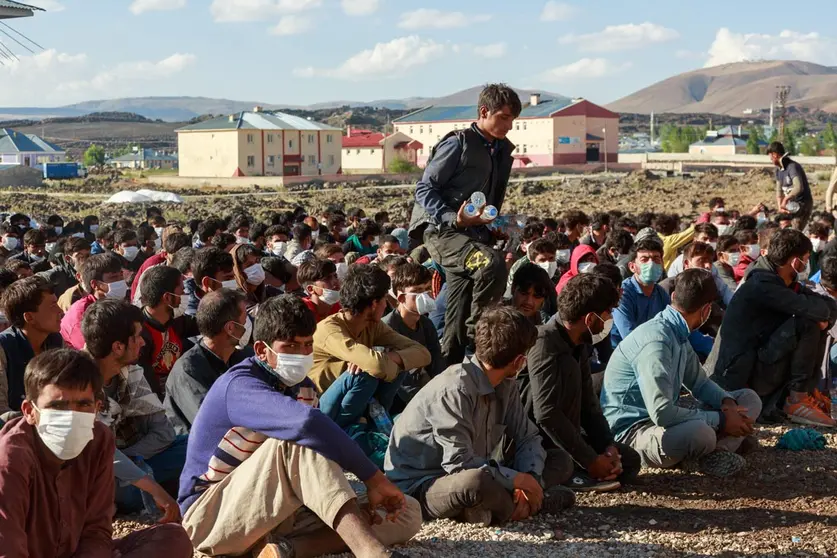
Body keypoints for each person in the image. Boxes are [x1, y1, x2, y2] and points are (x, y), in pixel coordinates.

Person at [178, 295, 420, 558]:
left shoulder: (303, 387)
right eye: (291, 346)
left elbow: (317, 461)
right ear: (261, 350)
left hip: (279, 510)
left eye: (307, 345)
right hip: (211, 516)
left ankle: (283, 551)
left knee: (407, 512)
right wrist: (374, 479)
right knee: (297, 440)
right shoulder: (238, 385)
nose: (302, 354)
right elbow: (307, 426)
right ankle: (373, 553)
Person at [385, 306, 576, 526]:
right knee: (474, 483)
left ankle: (508, 505)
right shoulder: (455, 389)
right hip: (426, 483)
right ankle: (529, 504)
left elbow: (527, 437)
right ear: (518, 362)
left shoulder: (506, 384)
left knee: (560, 460)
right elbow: (459, 464)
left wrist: (528, 477)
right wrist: (518, 480)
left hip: (483, 468)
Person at [0, 348, 194, 558]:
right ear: (30, 411)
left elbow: (96, 530)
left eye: (83, 404)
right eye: (58, 406)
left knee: (173, 539)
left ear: (97, 408)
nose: (72, 416)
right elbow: (8, 549)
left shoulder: (98, 440)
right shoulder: (11, 459)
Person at [601, 269, 762, 477]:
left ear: (673, 297)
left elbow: (699, 383)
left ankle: (717, 452)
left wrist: (727, 404)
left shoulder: (677, 332)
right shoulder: (656, 341)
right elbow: (662, 413)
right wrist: (721, 420)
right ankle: (718, 445)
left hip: (664, 423)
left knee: (748, 399)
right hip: (634, 432)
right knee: (701, 434)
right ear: (706, 310)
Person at [409, 84, 519, 365]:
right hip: (444, 234)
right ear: (484, 112)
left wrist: (489, 224)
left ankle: (450, 368)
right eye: (504, 117)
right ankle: (480, 335)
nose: (509, 125)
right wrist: (451, 217)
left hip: (472, 236)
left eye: (512, 120)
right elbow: (424, 189)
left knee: (454, 321)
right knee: (491, 264)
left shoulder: (499, 151)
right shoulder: (458, 143)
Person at [521, 274, 641, 492]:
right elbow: (546, 413)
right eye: (608, 313)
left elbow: (589, 404)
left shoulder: (579, 343)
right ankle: (572, 472)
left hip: (568, 433)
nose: (609, 319)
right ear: (590, 319)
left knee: (628, 460)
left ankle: (584, 468)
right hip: (536, 441)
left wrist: (607, 447)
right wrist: (589, 460)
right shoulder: (544, 342)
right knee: (564, 464)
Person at [706, 229, 837, 426]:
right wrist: (820, 315)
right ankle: (797, 399)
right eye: (806, 258)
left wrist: (823, 315)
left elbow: (829, 306)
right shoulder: (763, 283)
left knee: (811, 318)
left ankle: (801, 394)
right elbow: (814, 308)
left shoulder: (779, 278)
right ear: (795, 261)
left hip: (757, 360)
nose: (807, 264)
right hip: (736, 373)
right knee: (807, 323)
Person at [82, 299, 187, 517]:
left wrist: (131, 457)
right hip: (100, 474)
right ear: (118, 346)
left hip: (133, 457)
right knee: (135, 482)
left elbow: (163, 432)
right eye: (137, 337)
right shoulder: (79, 385)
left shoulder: (130, 372)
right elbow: (101, 454)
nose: (142, 343)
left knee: (192, 444)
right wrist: (133, 469)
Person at [312, 265, 431, 428]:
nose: (386, 305)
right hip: (323, 409)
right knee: (362, 374)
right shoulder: (329, 330)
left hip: (358, 401)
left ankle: (374, 423)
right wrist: (376, 362)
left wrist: (391, 358)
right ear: (375, 303)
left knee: (395, 364)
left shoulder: (372, 325)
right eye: (384, 300)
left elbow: (423, 354)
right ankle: (351, 431)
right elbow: (375, 365)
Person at [164, 289, 251, 435]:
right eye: (245, 319)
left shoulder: (242, 356)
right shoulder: (189, 370)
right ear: (230, 328)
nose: (249, 324)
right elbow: (212, 423)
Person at [382, 262, 445, 411]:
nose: (425, 295)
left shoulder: (426, 324)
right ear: (401, 297)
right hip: (399, 401)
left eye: (427, 289)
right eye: (417, 291)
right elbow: (401, 384)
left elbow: (437, 362)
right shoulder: (387, 329)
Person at [0, 276, 64, 418]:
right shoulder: (4, 348)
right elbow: (1, 414)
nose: (61, 311)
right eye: (53, 306)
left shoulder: (55, 342)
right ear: (29, 317)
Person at [138, 265, 199, 394]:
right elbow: (148, 383)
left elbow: (204, 324)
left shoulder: (175, 320)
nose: (185, 296)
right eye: (181, 292)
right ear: (167, 298)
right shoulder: (139, 335)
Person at [59, 252, 127, 349]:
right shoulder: (81, 315)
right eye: (113, 278)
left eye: (121, 276)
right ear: (95, 284)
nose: (120, 281)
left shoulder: (121, 303)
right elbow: (94, 353)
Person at [610, 238, 668, 348]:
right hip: (624, 353)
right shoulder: (623, 294)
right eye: (644, 259)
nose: (651, 264)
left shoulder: (661, 294)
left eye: (656, 259)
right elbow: (629, 337)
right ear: (632, 267)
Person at [130, 230, 192, 304]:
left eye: (185, 255)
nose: (181, 259)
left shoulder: (191, 267)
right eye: (176, 256)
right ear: (166, 254)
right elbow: (140, 299)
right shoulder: (154, 267)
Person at [769, 141, 813, 231]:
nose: (770, 159)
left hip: (802, 203)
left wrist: (785, 199)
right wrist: (780, 206)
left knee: (795, 230)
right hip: (790, 204)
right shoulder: (778, 170)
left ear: (774, 155)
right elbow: (779, 191)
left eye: (770, 156)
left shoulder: (792, 167)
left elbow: (798, 187)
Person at [298, 257, 342, 322]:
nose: (335, 281)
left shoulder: (342, 306)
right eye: (327, 278)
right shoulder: (302, 312)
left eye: (335, 276)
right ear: (311, 289)